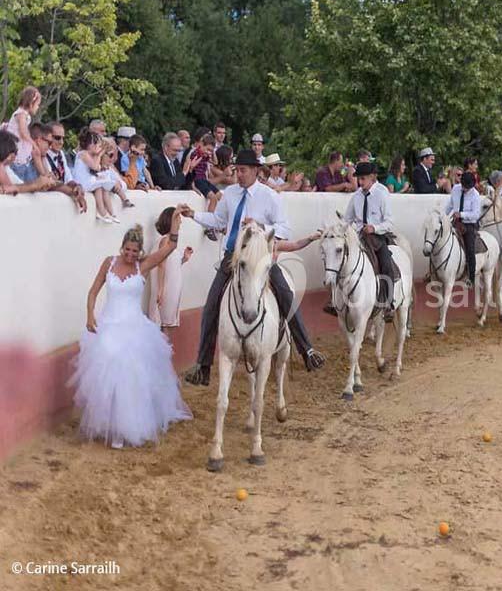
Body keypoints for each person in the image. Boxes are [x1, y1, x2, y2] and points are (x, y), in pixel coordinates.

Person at [180, 149, 325, 386]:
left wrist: (260, 224)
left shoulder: (270, 196)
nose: (238, 174)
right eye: (237, 170)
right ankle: (203, 365)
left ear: (256, 171)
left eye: (243, 170)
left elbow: (284, 229)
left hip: (260, 255)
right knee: (211, 305)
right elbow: (218, 221)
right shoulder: (230, 194)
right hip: (233, 255)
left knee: (284, 293)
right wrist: (193, 215)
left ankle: (306, 349)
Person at [70, 215, 193, 449]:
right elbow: (93, 291)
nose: (130, 255)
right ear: (121, 247)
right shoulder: (109, 263)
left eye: (134, 251)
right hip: (108, 326)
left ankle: (127, 428)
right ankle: (111, 425)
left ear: (139, 252)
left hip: (135, 328)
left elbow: (170, 248)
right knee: (108, 376)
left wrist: (175, 223)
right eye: (127, 250)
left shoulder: (142, 266)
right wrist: (89, 315)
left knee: (131, 378)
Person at [341, 161, 396, 319]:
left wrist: (374, 228)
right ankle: (336, 301)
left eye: (363, 178)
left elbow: (389, 221)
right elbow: (347, 220)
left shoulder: (382, 193)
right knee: (341, 263)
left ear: (372, 177)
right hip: (359, 237)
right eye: (359, 178)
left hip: (377, 238)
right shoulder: (356, 196)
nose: (360, 182)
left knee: (386, 265)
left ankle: (388, 302)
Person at [149, 207, 193, 329]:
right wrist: (161, 290)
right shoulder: (165, 241)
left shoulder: (171, 241)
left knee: (167, 325)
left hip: (171, 289)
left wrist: (184, 259)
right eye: (178, 218)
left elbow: (171, 265)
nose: (180, 222)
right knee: (163, 325)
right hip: (165, 290)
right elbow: (161, 265)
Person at [30, 123, 87, 212]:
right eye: (57, 138)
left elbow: (68, 179)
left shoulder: (60, 154)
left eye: (63, 138)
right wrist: (73, 192)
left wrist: (77, 186)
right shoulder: (42, 154)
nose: (61, 142)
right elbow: (51, 184)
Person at [72, 129, 120, 223]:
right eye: (97, 143)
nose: (99, 146)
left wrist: (98, 154)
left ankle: (109, 212)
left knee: (103, 188)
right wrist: (100, 154)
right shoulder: (83, 154)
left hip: (88, 180)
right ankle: (102, 212)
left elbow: (97, 167)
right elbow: (95, 167)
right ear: (90, 145)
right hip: (82, 182)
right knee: (99, 186)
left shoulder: (90, 155)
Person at [446, 171, 481, 288]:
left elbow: (476, 214)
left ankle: (471, 277)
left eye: (467, 187)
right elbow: (450, 205)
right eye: (463, 186)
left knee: (470, 249)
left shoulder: (475, 195)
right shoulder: (455, 189)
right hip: (455, 222)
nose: (464, 189)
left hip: (468, 224)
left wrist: (461, 214)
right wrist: (443, 217)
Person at [0, 130, 57, 195]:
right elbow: (10, 188)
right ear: (10, 155)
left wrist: (39, 186)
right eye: (16, 151)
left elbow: (19, 185)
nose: (16, 155)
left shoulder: (6, 167)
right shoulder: (2, 166)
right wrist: (35, 185)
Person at [6, 86, 41, 182]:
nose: (38, 107)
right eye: (37, 104)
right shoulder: (21, 114)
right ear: (31, 103)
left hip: (21, 157)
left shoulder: (24, 114)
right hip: (16, 156)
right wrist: (34, 144)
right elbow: (23, 132)